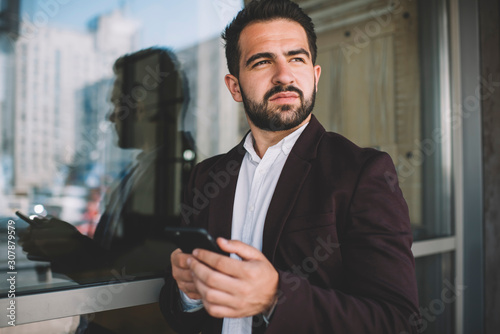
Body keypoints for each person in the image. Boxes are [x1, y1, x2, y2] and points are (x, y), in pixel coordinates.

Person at [159, 0, 420, 333]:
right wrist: (187, 292)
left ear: (315, 75)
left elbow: (397, 321)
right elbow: (179, 315)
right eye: (262, 61)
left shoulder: (362, 172)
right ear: (235, 87)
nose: (284, 75)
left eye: (296, 58)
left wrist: (275, 297)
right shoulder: (207, 176)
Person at [20, 47, 190, 333]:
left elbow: (138, 271)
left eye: (116, 104)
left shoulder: (178, 176)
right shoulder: (147, 168)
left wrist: (72, 246)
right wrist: (67, 244)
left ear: (141, 106)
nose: (112, 117)